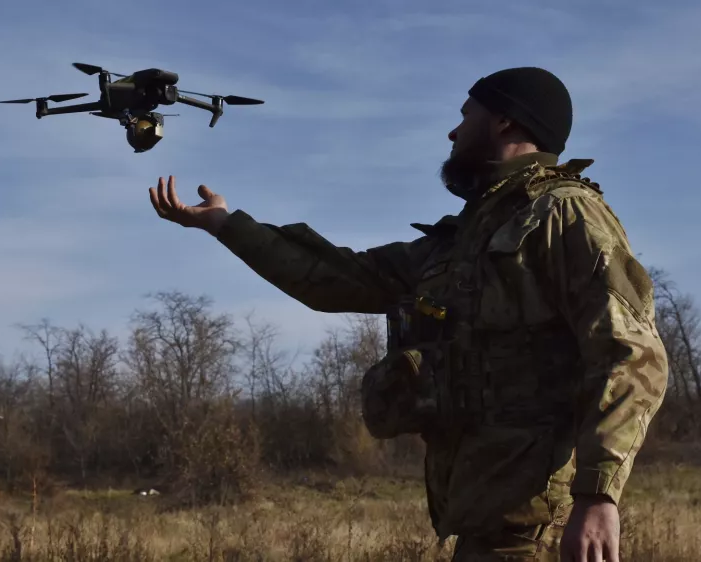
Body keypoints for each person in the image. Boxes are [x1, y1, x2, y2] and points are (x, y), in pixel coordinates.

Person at [148, 66, 668, 562]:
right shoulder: (460, 240)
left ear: (505, 120)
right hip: (486, 513)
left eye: (465, 116)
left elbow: (631, 354)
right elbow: (334, 277)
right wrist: (226, 225)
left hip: (539, 522)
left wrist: (597, 496)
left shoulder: (564, 213)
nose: (452, 133)